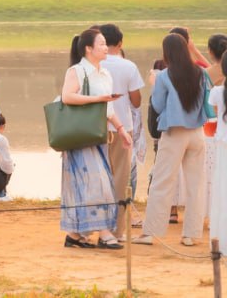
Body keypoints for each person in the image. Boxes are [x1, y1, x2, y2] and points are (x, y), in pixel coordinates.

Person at [134, 32, 211, 247]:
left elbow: (158, 105)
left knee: (162, 182)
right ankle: (190, 235)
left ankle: (150, 233)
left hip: (174, 133)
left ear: (166, 52)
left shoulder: (164, 76)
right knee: (196, 185)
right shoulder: (200, 73)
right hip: (197, 133)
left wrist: (153, 84)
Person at [59, 28, 128, 250]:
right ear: (88, 48)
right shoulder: (77, 71)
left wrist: (121, 129)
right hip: (81, 137)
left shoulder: (105, 73)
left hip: (98, 134)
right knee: (97, 184)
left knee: (91, 184)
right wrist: (97, 99)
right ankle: (105, 233)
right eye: (101, 44)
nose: (106, 48)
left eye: (106, 43)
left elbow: (108, 108)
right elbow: (67, 96)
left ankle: (74, 235)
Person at [97, 23, 143, 234]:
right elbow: (136, 101)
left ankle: (96, 226)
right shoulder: (128, 66)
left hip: (96, 127)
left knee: (99, 176)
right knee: (121, 178)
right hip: (122, 126)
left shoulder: (94, 64)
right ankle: (116, 230)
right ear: (120, 43)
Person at [209, 53, 227, 243]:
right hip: (222, 144)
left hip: (223, 146)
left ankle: (221, 239)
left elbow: (214, 111)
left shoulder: (217, 92)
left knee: (223, 193)